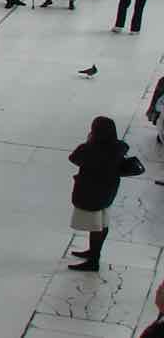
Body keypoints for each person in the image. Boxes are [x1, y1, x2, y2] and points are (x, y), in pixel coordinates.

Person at [67, 116, 136, 272]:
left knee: (95, 225)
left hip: (91, 191)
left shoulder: (88, 149)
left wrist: (88, 141)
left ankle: (93, 260)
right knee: (102, 223)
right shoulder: (119, 147)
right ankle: (94, 253)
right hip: (108, 190)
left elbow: (73, 158)